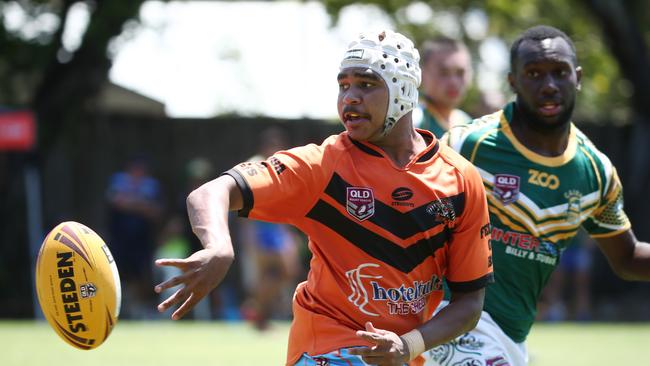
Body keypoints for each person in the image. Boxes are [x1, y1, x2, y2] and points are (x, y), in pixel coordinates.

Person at [154, 30, 493, 366]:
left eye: (366, 84)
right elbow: (212, 191)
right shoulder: (322, 165)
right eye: (343, 86)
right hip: (326, 351)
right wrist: (217, 246)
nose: (350, 97)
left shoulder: (461, 180)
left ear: (403, 89)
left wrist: (408, 346)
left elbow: (469, 302)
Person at [423, 25, 650, 366]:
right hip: (444, 317)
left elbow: (627, 256)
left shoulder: (596, 173)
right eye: (533, 74)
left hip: (511, 336)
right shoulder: (467, 145)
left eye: (559, 73)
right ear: (513, 81)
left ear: (578, 77)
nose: (548, 86)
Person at [238, 127, 302, 330]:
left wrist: (290, 231)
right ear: (266, 146)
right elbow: (243, 201)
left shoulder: (280, 165)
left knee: (285, 272)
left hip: (277, 229)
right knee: (268, 274)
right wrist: (248, 236)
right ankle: (259, 317)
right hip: (260, 229)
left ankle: (255, 309)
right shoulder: (254, 164)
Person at [106, 154, 162, 318]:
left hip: (142, 240)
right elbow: (116, 202)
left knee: (142, 275)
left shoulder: (151, 186)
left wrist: (130, 204)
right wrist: (140, 205)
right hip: (120, 239)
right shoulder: (118, 181)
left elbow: (155, 211)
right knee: (118, 274)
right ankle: (119, 309)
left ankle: (140, 310)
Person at [414, 37, 473, 138]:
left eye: (460, 73)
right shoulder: (413, 122)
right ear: (421, 74)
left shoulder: (468, 124)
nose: (453, 82)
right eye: (443, 73)